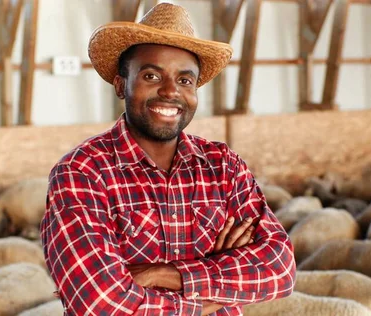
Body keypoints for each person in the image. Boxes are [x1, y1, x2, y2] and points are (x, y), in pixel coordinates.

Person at [40, 3, 296, 315]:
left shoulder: (223, 166)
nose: (170, 91)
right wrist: (208, 297)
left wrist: (163, 275)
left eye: (185, 80)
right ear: (121, 85)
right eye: (151, 75)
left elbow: (279, 269)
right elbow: (98, 302)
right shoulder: (83, 172)